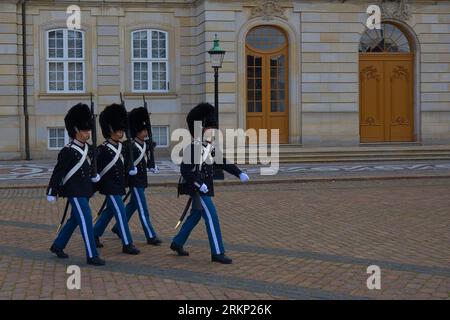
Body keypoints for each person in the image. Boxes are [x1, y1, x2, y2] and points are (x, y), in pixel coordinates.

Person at [170, 102, 250, 264]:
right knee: (212, 217)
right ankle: (217, 252)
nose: (213, 131)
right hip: (198, 188)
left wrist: (238, 172)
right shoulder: (192, 148)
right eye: (209, 128)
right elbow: (185, 171)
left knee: (196, 215)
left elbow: (223, 162)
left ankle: (177, 242)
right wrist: (199, 184)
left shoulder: (209, 147)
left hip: (203, 187)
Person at [47, 103, 105, 266]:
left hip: (85, 190)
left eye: (88, 129)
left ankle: (58, 245)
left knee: (74, 220)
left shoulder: (89, 149)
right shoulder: (68, 151)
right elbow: (58, 172)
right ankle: (92, 255)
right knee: (86, 220)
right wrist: (52, 190)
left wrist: (95, 176)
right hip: (74, 191)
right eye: (85, 130)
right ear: (76, 130)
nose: (88, 132)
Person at [93, 103, 140, 255]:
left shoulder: (123, 147)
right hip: (109, 186)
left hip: (119, 185)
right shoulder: (102, 149)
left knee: (109, 212)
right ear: (110, 130)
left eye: (122, 130)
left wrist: (130, 170)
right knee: (120, 212)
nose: (121, 133)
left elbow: (124, 165)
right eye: (119, 130)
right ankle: (127, 243)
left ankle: (94, 234)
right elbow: (97, 169)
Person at [111, 107, 162, 245]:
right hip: (134, 181)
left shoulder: (145, 144)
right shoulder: (130, 145)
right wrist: (130, 169)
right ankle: (150, 235)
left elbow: (145, 159)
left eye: (146, 130)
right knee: (142, 208)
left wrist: (152, 166)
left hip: (142, 179)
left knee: (133, 204)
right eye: (143, 130)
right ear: (136, 131)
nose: (146, 132)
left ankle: (117, 228)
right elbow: (125, 163)